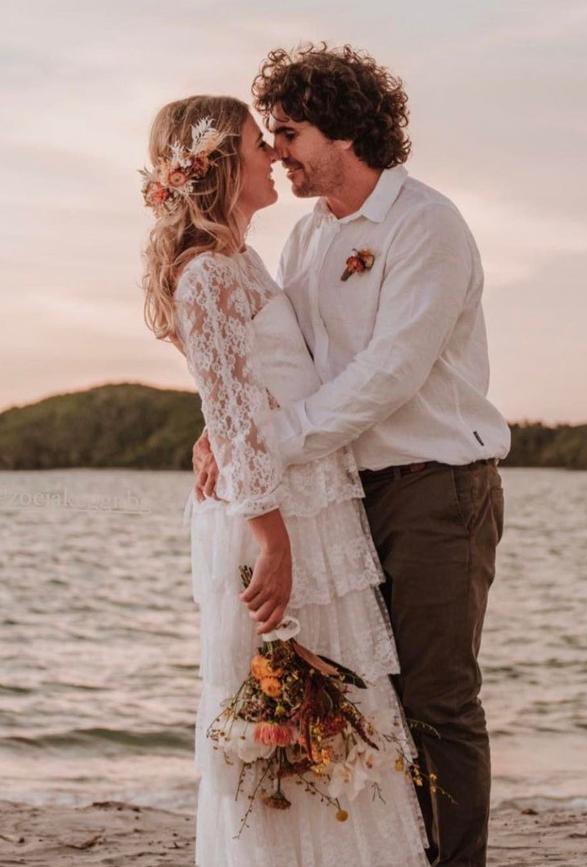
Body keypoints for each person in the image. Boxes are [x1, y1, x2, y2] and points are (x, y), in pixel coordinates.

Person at [193, 45, 510, 867]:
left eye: (289, 132)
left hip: (438, 486)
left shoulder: (425, 224)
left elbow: (389, 375)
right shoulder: (306, 240)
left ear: (344, 130)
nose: (276, 151)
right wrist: (221, 424)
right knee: (373, 697)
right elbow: (282, 356)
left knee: (440, 702)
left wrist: (264, 442)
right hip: (345, 495)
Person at [141, 94, 430, 867]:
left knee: (329, 704)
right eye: (255, 143)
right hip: (269, 512)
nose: (272, 155)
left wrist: (222, 425)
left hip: (308, 498)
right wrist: (268, 536)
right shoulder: (203, 275)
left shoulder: (245, 260)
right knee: (274, 711)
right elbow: (233, 418)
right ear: (221, 165)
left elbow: (241, 390)